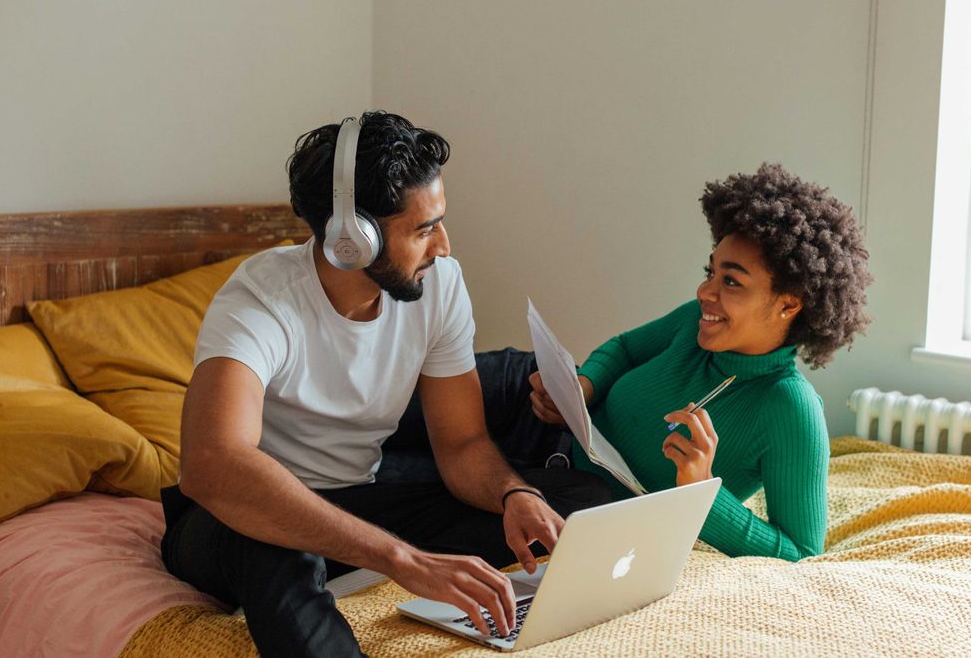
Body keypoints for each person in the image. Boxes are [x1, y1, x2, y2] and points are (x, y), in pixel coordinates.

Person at [161, 111, 610, 657]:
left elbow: (463, 444)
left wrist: (514, 494)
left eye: (439, 222)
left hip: (363, 500)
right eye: (423, 230)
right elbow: (212, 465)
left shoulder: (440, 285)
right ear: (353, 239)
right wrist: (402, 560)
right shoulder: (261, 301)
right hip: (235, 521)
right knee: (284, 549)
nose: (442, 246)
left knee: (575, 505)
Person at [529, 163, 872, 561]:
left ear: (788, 303)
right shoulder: (696, 321)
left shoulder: (790, 410)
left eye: (731, 281)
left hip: (571, 492)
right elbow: (623, 349)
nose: (704, 291)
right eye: (711, 271)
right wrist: (582, 389)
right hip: (542, 425)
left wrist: (701, 490)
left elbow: (800, 551)